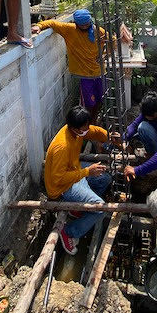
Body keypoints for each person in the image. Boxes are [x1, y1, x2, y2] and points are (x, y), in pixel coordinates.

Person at [44, 105, 120, 255]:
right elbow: (57, 178)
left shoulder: (77, 132)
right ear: (74, 128)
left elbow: (93, 131)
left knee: (104, 178)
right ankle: (69, 232)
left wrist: (109, 137)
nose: (86, 129)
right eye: (84, 127)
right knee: (99, 208)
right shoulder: (62, 146)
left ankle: (80, 207)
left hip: (74, 172)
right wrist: (86, 172)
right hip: (61, 188)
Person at [34, 9, 109, 123]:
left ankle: (94, 121)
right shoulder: (69, 30)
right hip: (84, 75)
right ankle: (86, 123)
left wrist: (104, 54)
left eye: (87, 24)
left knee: (100, 100)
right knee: (88, 103)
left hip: (99, 72)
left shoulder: (99, 31)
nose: (84, 27)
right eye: (82, 25)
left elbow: (112, 41)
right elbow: (52, 23)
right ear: (76, 23)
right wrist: (39, 26)